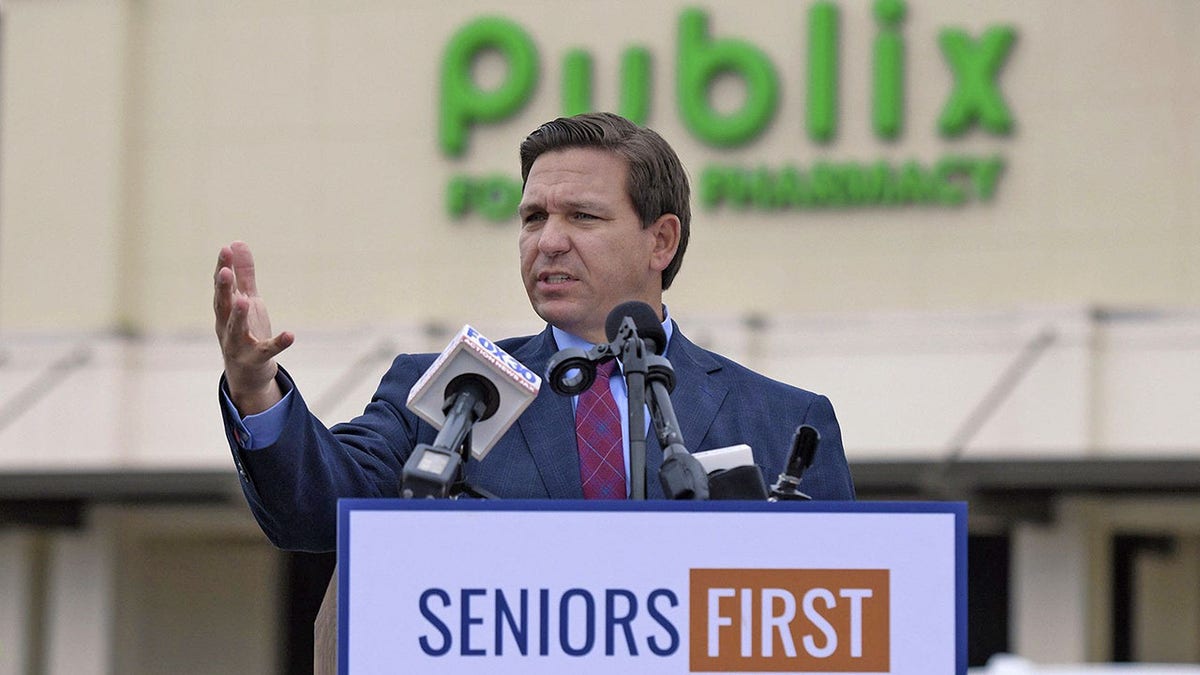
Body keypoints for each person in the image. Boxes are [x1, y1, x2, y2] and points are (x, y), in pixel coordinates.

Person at [214, 112, 855, 552]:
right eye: (532, 217)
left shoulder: (783, 419)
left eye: (581, 216)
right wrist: (256, 388)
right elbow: (320, 509)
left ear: (660, 240)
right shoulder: (452, 392)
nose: (547, 241)